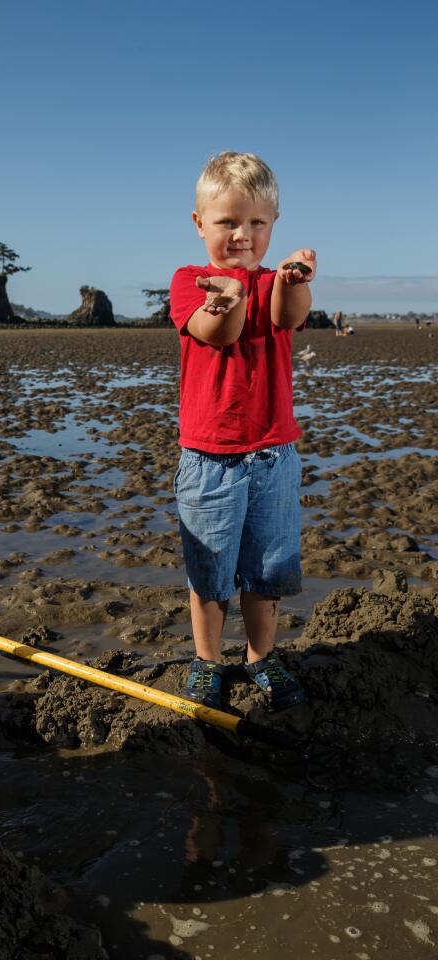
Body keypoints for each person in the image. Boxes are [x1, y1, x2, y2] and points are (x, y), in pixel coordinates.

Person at [169, 151, 315, 713]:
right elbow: (218, 333)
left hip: (274, 455)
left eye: (256, 223)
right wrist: (226, 298)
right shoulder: (190, 281)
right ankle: (207, 660)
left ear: (273, 225)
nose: (241, 235)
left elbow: (288, 316)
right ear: (200, 223)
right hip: (210, 458)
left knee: (267, 567)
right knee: (211, 570)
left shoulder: (272, 281)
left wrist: (294, 277)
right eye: (227, 221)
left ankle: (262, 656)